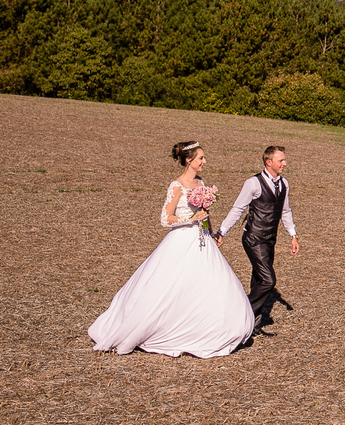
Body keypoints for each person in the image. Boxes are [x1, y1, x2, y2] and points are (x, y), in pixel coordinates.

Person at [88, 141, 254, 358]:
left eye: (204, 158)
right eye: (200, 158)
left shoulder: (201, 182)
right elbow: (166, 219)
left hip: (203, 240)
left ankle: (212, 327)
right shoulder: (177, 186)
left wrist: (211, 232)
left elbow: (204, 213)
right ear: (188, 160)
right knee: (170, 288)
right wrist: (191, 218)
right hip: (182, 240)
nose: (204, 161)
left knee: (211, 285)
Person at [216, 145, 300, 331]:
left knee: (259, 279)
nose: (285, 163)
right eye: (281, 160)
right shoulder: (253, 183)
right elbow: (238, 209)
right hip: (254, 238)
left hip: (271, 238)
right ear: (269, 162)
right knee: (268, 281)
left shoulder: (284, 184)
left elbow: (285, 211)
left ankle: (252, 324)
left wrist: (292, 235)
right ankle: (239, 313)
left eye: (284, 160)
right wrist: (222, 231)